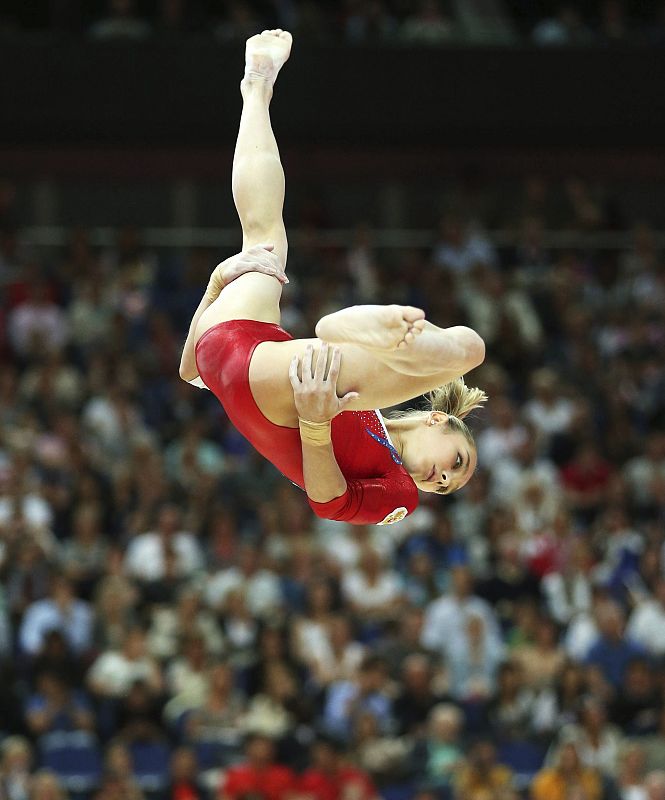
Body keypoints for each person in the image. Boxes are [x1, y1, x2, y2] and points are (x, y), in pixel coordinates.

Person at [179, 29, 486, 526]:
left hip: (257, 371)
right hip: (244, 350)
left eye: (449, 485)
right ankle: (256, 85)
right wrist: (218, 288)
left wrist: (318, 428)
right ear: (439, 420)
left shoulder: (401, 494)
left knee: (470, 351)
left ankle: (358, 330)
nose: (443, 479)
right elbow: (191, 373)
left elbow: (331, 504)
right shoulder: (374, 417)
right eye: (457, 461)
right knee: (264, 241)